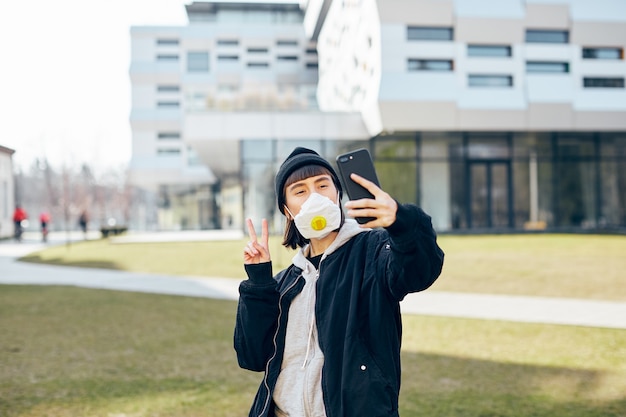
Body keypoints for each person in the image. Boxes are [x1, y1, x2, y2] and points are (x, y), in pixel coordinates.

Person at [234, 147, 445, 417]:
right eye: (300, 191)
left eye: (322, 185)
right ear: (287, 210)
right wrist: (259, 282)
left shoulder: (374, 251)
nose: (314, 197)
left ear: (338, 194)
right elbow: (252, 356)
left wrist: (401, 222)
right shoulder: (285, 282)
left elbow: (420, 271)